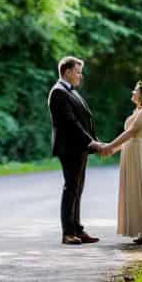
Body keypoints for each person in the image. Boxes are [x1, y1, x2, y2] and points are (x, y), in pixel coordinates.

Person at [100, 81, 142, 245]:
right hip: (133, 154)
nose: (132, 93)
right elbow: (130, 138)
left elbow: (131, 133)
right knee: (135, 190)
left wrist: (109, 145)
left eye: (135, 91)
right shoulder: (138, 110)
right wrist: (113, 150)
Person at [48, 56, 105, 245]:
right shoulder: (58, 92)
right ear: (67, 72)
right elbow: (70, 123)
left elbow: (84, 120)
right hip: (69, 148)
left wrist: (94, 141)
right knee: (71, 188)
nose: (80, 76)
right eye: (78, 72)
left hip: (79, 147)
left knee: (78, 189)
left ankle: (77, 229)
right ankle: (68, 233)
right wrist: (91, 143)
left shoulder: (71, 92)